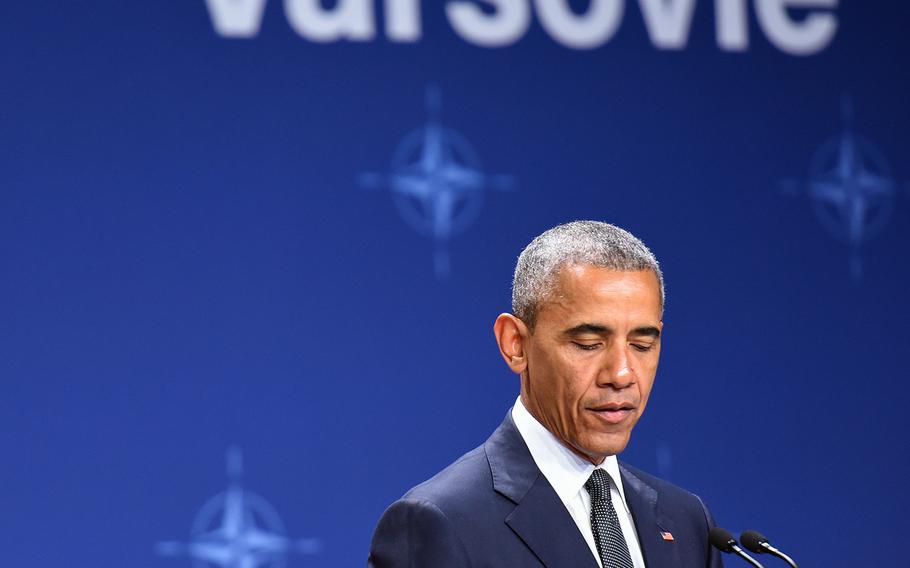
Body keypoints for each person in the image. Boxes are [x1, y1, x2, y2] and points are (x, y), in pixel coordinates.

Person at [368, 221, 723, 567]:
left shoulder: (687, 521)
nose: (621, 374)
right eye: (588, 344)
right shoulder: (440, 522)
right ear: (515, 344)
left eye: (642, 345)